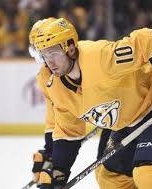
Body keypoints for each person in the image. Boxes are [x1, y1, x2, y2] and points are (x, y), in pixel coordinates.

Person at [31, 17, 152, 189]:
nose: (49, 62)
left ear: (70, 49)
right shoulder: (54, 85)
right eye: (44, 55)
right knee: (109, 177)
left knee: (148, 175)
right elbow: (68, 134)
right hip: (126, 122)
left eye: (53, 53)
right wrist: (58, 172)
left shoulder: (102, 58)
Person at [28, 18, 111, 187]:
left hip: (128, 109)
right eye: (41, 53)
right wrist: (51, 155)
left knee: (115, 172)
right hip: (112, 117)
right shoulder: (46, 77)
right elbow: (57, 119)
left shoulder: (90, 59)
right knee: (107, 173)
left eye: (50, 52)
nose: (46, 62)